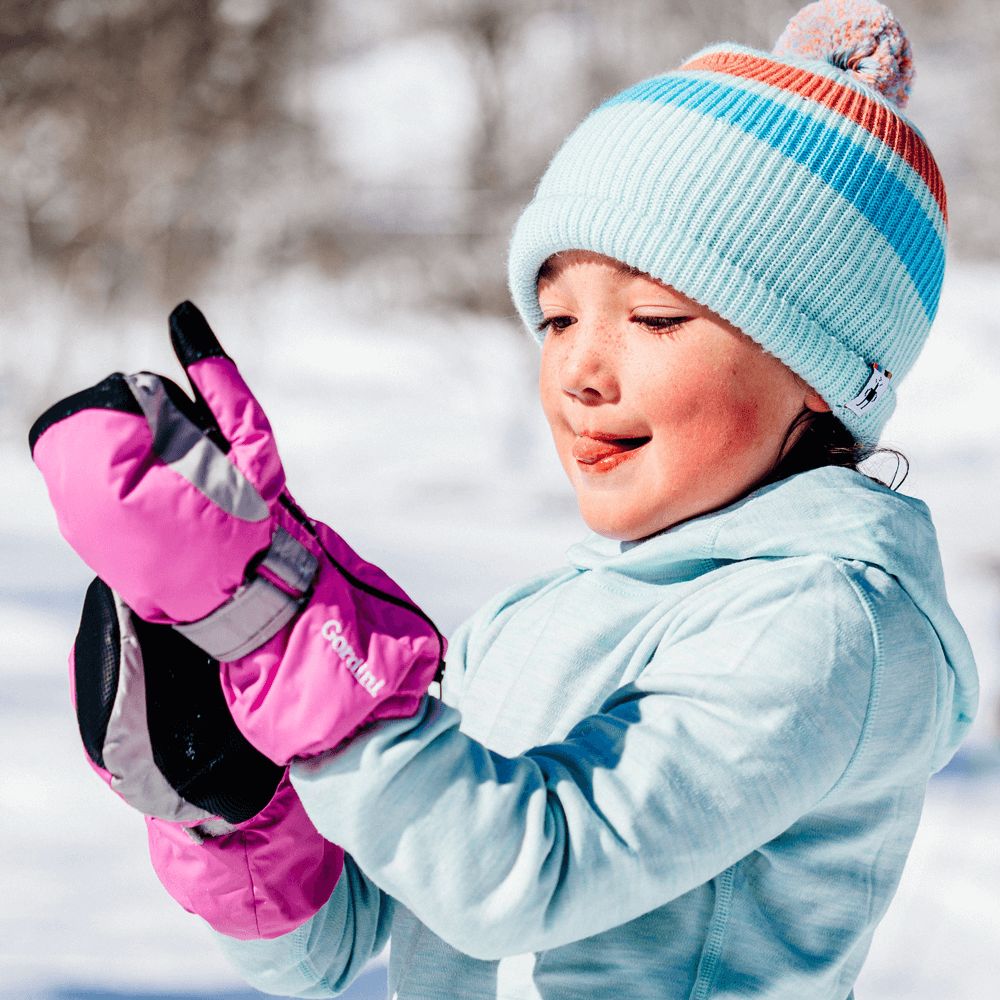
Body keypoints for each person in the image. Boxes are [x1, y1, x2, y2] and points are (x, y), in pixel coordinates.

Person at [29, 2, 978, 998]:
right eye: (557, 317)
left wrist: (285, 628)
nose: (579, 370)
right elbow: (345, 941)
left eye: (652, 318)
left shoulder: (824, 622)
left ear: (822, 367)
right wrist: (235, 796)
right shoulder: (548, 617)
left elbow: (525, 878)